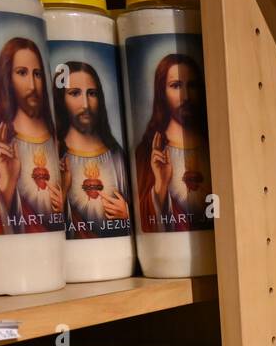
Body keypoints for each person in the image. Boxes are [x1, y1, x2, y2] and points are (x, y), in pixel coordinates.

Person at [0, 36, 64, 235]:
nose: (32, 85)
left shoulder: (60, 139)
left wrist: (65, 206)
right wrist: (7, 183)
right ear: (7, 79)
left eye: (37, 74)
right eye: (21, 73)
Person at [134, 52, 211, 231]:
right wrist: (161, 185)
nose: (186, 96)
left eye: (192, 85)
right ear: (162, 92)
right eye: (175, 86)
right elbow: (145, 220)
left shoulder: (212, 143)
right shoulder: (149, 151)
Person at [54, 61, 130, 237]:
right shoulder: (57, 154)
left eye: (92, 93)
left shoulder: (115, 154)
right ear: (61, 99)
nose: (86, 104)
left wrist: (126, 213)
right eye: (74, 93)